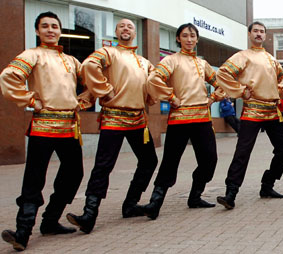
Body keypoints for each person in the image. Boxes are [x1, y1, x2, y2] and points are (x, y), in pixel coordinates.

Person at [0, 12, 92, 251]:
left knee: (74, 174)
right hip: (42, 126)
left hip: (70, 128)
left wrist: (81, 102)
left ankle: (50, 220)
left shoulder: (72, 61)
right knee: (34, 179)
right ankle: (23, 232)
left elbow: (92, 84)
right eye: (45, 26)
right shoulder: (32, 55)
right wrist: (31, 99)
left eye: (54, 26)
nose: (50, 30)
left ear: (60, 31)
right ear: (37, 31)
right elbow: (9, 77)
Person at [67, 18, 158, 233]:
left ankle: (130, 204)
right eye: (122, 26)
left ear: (135, 33)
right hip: (113, 118)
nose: (126, 29)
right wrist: (104, 89)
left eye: (130, 27)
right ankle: (89, 213)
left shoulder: (143, 61)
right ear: (116, 32)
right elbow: (89, 65)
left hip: (138, 120)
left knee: (149, 161)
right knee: (103, 166)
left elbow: (158, 80)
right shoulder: (108, 53)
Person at [141, 23, 226, 220]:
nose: (189, 39)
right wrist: (171, 98)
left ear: (197, 39)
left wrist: (213, 99)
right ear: (178, 38)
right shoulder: (171, 60)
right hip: (179, 119)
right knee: (170, 162)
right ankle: (155, 202)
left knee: (209, 160)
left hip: (202, 119)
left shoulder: (203, 64)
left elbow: (220, 85)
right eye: (185, 36)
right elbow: (153, 80)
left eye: (193, 36)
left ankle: (195, 196)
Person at [215, 21, 283, 209]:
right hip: (252, 109)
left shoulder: (272, 59)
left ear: (265, 36)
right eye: (255, 31)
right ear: (249, 34)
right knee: (243, 151)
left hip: (273, 111)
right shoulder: (242, 56)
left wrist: (281, 87)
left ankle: (268, 184)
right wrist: (241, 91)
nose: (259, 34)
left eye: (262, 31)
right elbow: (223, 74)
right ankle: (231, 192)